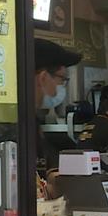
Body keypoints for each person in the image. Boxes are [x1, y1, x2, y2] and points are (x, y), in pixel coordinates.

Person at [35, 38, 82, 169]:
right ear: (43, 78)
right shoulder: (16, 127)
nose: (62, 86)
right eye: (61, 79)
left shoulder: (30, 121)